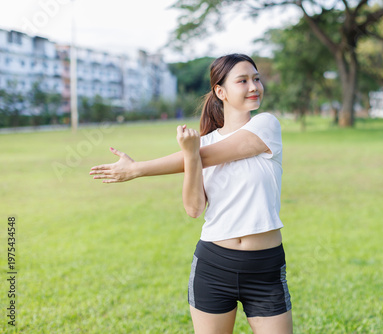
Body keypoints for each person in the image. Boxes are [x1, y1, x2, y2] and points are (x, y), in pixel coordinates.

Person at [89, 54, 292, 334]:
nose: (254, 86)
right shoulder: (200, 146)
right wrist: (190, 155)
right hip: (214, 266)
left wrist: (138, 168)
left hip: (264, 267)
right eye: (242, 80)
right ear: (220, 91)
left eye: (256, 78)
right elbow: (194, 208)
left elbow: (209, 155)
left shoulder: (266, 126)